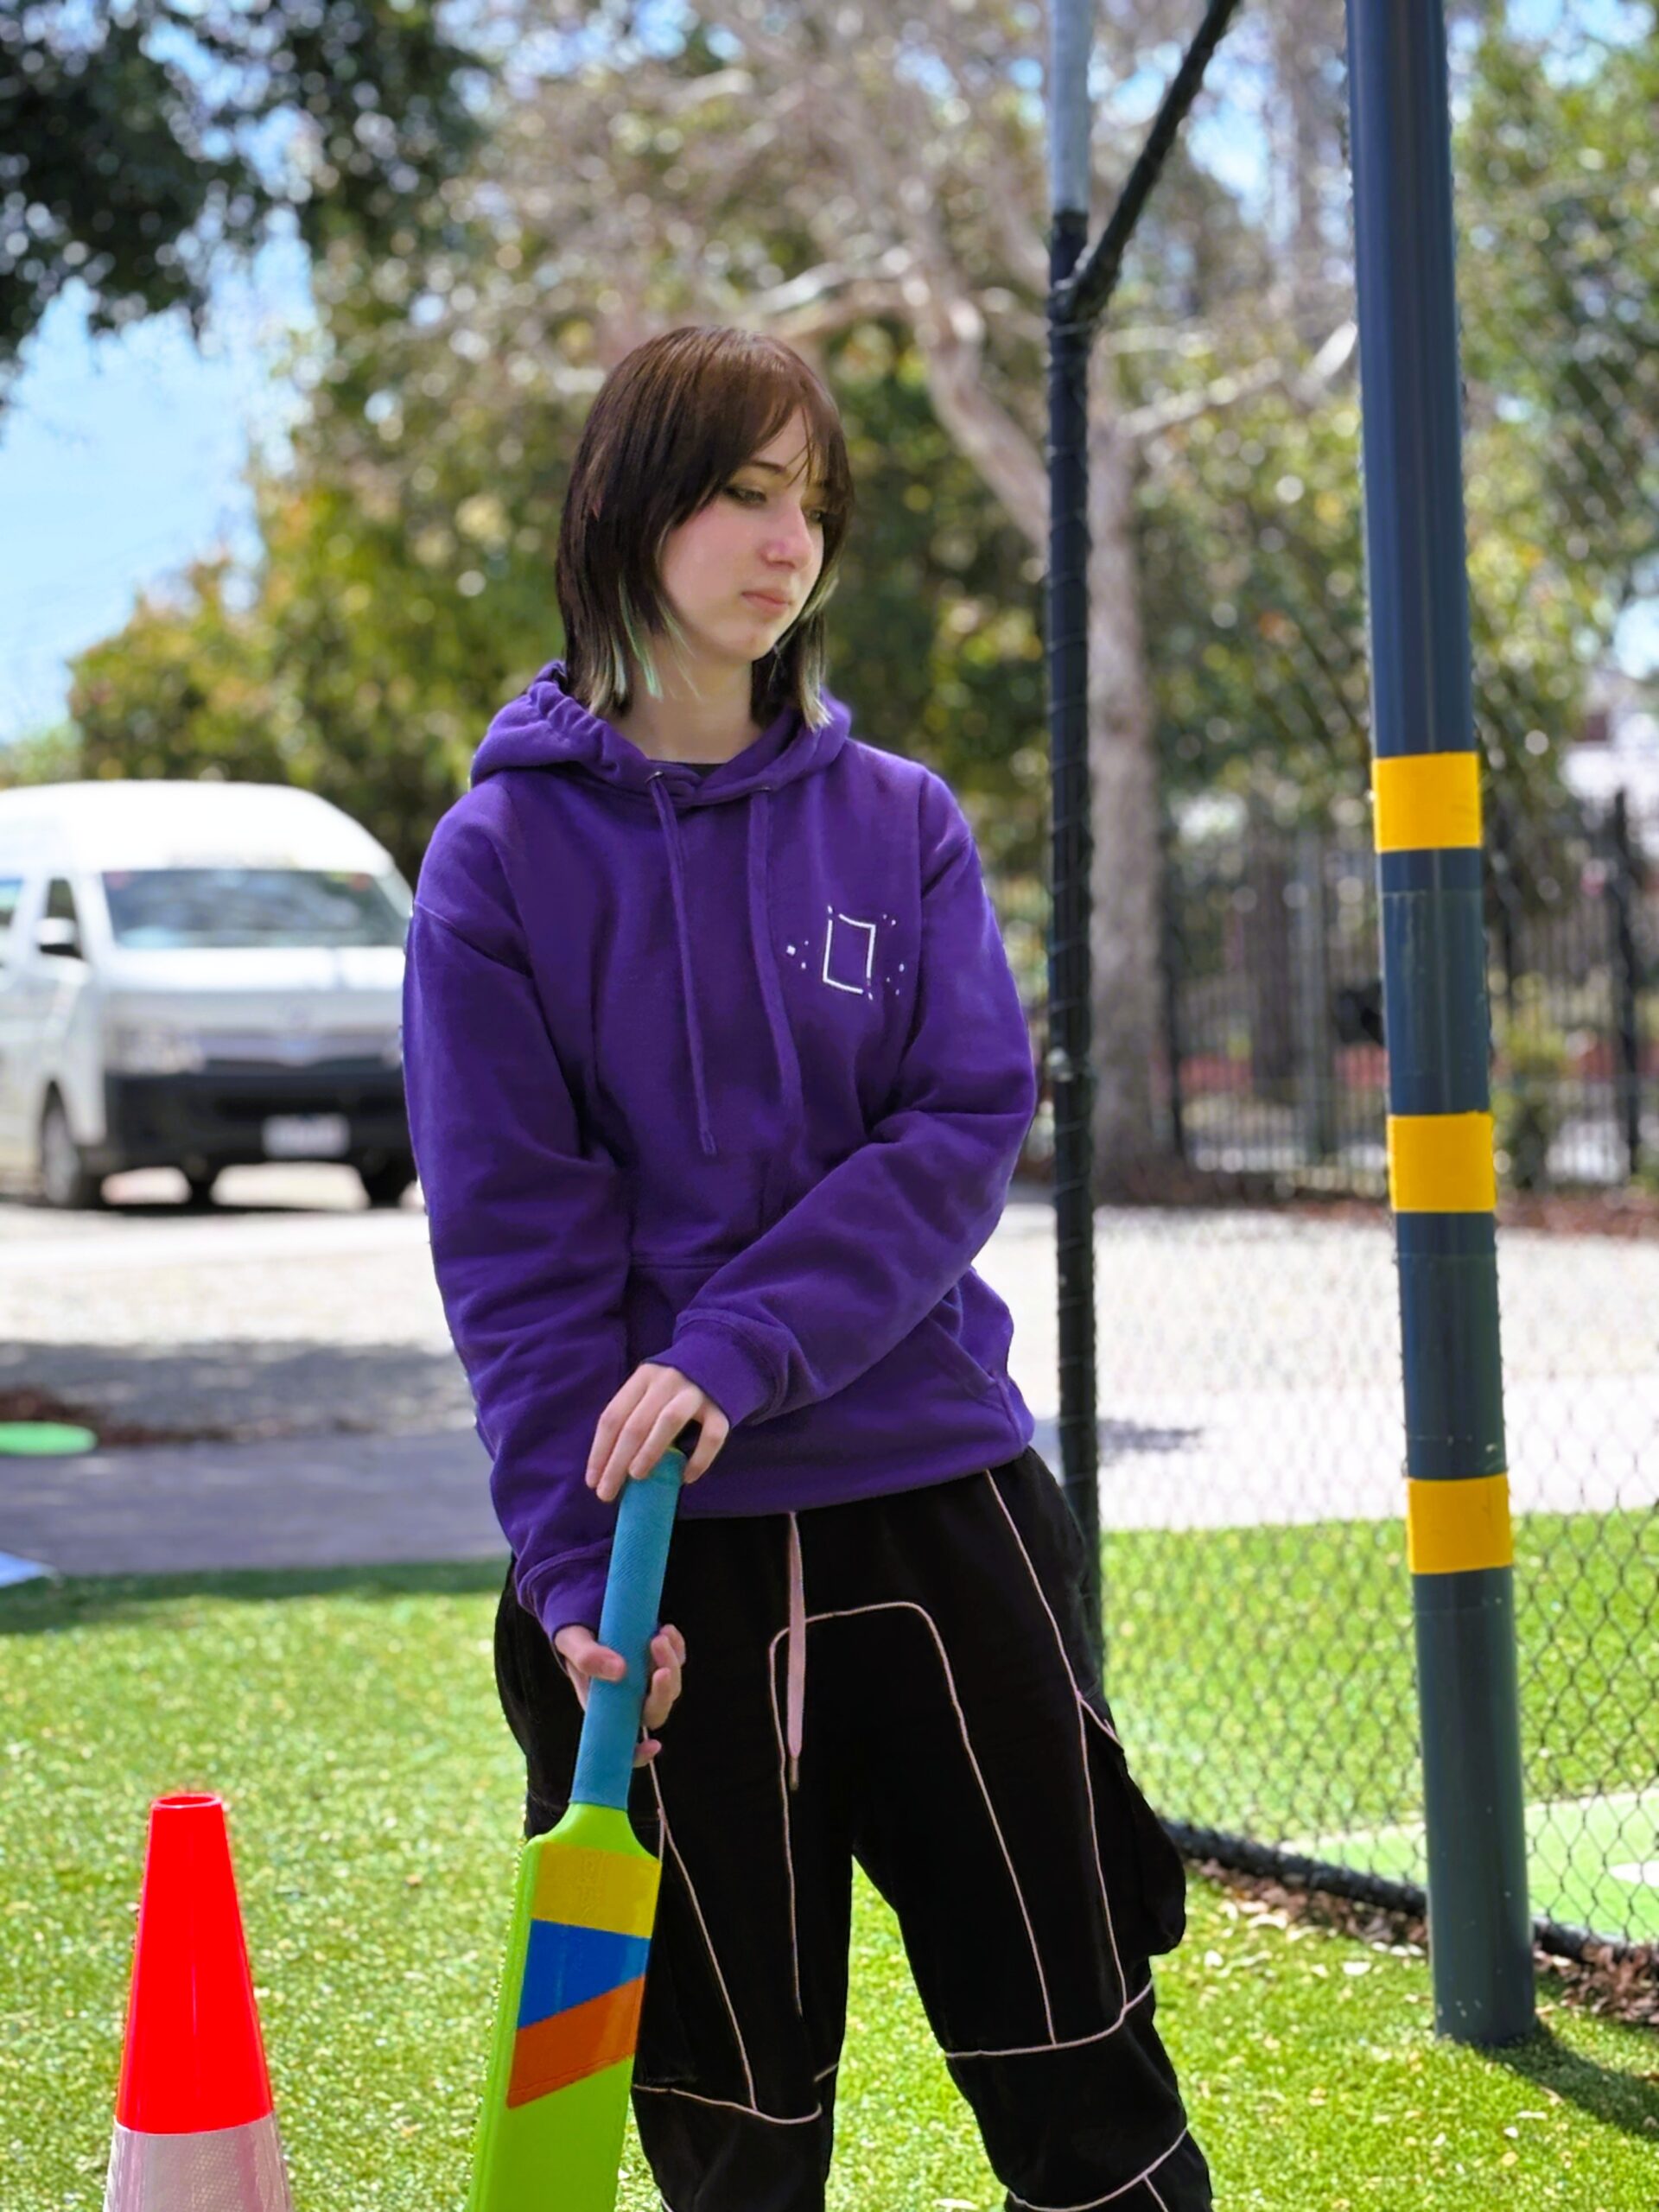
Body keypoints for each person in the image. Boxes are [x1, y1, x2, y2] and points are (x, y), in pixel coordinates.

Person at [402, 323, 1211, 2212]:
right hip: (661, 1560)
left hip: (943, 1509)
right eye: (745, 492)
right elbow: (513, 1253)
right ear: (626, 508)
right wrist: (567, 1566)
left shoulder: (899, 823)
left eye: (814, 503)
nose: (790, 543)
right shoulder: (497, 859)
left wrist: (745, 1340)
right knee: (732, 2116)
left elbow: (956, 1133)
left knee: (1081, 2065)